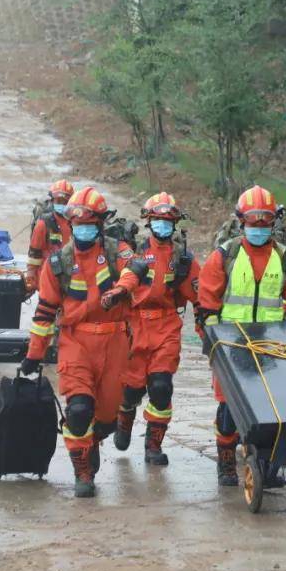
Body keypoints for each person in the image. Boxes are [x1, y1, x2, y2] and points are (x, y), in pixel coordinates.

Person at [20, 188, 143, 498]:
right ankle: (83, 473)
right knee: (78, 409)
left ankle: (95, 439)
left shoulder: (117, 251)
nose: (83, 228)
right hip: (76, 342)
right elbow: (45, 311)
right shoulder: (58, 262)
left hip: (115, 340)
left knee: (105, 418)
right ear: (70, 224)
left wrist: (121, 290)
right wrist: (33, 355)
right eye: (77, 223)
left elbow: (138, 270)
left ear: (100, 224)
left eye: (90, 223)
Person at [196, 185, 286, 485]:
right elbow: (206, 306)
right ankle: (227, 463)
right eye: (253, 221)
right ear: (241, 221)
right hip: (231, 344)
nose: (259, 227)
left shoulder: (285, 257)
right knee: (229, 410)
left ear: (274, 222)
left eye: (265, 221)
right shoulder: (225, 256)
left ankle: (268, 465)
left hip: (271, 345)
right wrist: (215, 345)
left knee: (272, 406)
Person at [114, 192, 200, 466]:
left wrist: (207, 325)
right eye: (157, 220)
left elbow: (201, 294)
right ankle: (125, 418)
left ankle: (153, 445)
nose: (162, 225)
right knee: (131, 390)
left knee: (161, 388)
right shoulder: (133, 251)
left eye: (167, 221)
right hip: (135, 326)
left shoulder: (183, 257)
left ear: (175, 223)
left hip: (166, 326)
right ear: (148, 222)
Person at [25, 179, 75, 295]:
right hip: (48, 278)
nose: (61, 204)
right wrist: (31, 277)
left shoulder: (76, 223)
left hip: (71, 277)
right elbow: (34, 254)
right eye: (59, 201)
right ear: (52, 200)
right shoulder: (43, 224)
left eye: (65, 201)